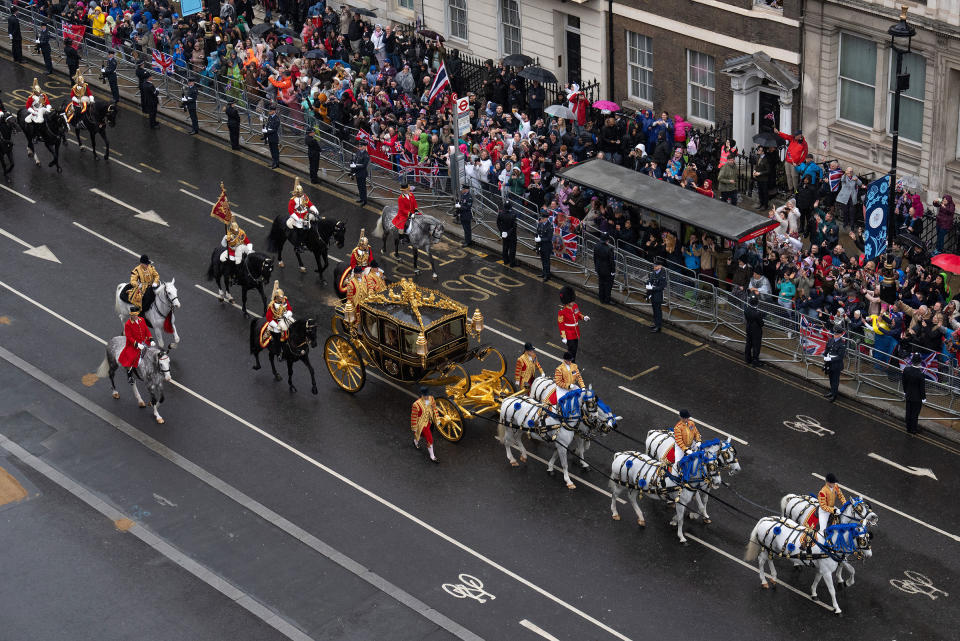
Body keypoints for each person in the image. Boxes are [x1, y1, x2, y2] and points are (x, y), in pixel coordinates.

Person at [118, 305, 154, 384]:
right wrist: (137, 344)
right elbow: (129, 337)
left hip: (144, 341)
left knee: (154, 352)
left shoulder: (142, 320)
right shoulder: (128, 324)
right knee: (131, 359)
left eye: (135, 315)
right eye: (132, 315)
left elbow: (146, 330)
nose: (134, 316)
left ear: (137, 314)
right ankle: (129, 375)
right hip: (133, 344)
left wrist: (151, 339)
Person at [557, 286, 588, 361]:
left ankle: (571, 362)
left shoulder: (575, 306)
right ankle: (570, 363)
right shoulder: (562, 311)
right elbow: (561, 325)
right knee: (572, 350)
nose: (573, 302)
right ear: (567, 301)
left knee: (575, 350)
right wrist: (564, 336)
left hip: (575, 332)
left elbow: (578, 314)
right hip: (568, 333)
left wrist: (583, 317)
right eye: (571, 301)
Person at [410, 386, 440, 463]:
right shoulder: (416, 404)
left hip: (429, 422)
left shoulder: (431, 398)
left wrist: (437, 418)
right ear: (422, 395)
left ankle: (415, 441)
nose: (427, 397)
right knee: (430, 439)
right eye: (425, 395)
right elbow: (414, 417)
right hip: (421, 425)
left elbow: (434, 409)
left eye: (427, 395)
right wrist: (414, 427)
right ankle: (432, 456)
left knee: (421, 436)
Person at [287, 177, 318, 251]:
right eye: (299, 193)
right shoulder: (292, 200)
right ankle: (298, 245)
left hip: (305, 215)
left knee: (314, 222)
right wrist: (297, 219)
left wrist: (314, 209)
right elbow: (291, 211)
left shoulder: (304, 197)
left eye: (301, 193)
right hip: (297, 216)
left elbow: (309, 204)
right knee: (301, 231)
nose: (301, 194)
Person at [775, 127, 808, 194]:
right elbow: (786, 136)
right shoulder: (793, 138)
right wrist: (778, 133)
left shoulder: (804, 144)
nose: (795, 136)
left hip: (795, 163)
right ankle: (790, 189)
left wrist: (799, 163)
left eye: (796, 135)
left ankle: (796, 191)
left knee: (794, 176)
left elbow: (805, 154)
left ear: (800, 135)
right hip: (788, 161)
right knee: (788, 175)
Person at [265, 281, 294, 354]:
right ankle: (278, 347)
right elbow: (269, 317)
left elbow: (290, 309)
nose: (281, 299)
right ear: (276, 297)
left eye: (282, 297)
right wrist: (276, 325)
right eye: (280, 297)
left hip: (285, 317)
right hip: (277, 320)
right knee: (281, 329)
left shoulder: (284, 300)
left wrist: (287, 314)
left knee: (293, 322)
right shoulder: (272, 305)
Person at [902, 352, 926, 434]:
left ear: (912, 361)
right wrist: (924, 398)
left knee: (908, 411)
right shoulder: (920, 374)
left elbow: (904, 382)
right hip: (917, 398)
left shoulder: (906, 370)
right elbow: (922, 388)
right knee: (915, 414)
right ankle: (913, 429)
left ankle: (908, 428)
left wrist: (905, 392)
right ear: (919, 362)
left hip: (908, 394)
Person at [822, 323, 846, 402]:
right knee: (831, 379)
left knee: (835, 381)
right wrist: (825, 354)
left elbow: (840, 357)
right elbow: (827, 348)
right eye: (834, 333)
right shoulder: (831, 339)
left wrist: (830, 359)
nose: (835, 335)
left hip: (836, 365)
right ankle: (832, 392)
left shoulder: (842, 344)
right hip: (829, 364)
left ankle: (834, 395)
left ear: (840, 335)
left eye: (836, 334)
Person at [594, 232, 616, 305]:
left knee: (601, 284)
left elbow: (594, 258)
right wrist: (613, 271)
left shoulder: (596, 246)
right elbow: (611, 262)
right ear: (607, 240)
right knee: (608, 286)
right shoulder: (609, 249)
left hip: (599, 269)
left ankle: (601, 298)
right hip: (607, 271)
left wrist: (596, 267)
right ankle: (607, 300)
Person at [646, 257, 667, 333]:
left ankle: (658, 326)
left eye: (656, 266)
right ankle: (655, 323)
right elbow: (650, 279)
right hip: (653, 294)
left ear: (660, 266)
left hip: (658, 295)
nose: (654, 267)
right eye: (654, 265)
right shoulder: (654, 272)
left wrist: (652, 288)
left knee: (658, 311)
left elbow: (662, 287)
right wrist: (647, 283)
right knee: (654, 310)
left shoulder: (663, 274)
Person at [744, 295, 765, 367]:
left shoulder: (746, 309)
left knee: (748, 344)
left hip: (748, 329)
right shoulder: (757, 313)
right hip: (756, 332)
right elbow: (761, 324)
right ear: (757, 303)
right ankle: (755, 361)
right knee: (756, 346)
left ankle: (747, 359)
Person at [496, 201, 518, 267]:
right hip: (512, 234)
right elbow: (514, 226)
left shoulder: (500, 213)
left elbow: (498, 223)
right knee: (512, 249)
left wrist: (502, 231)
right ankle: (512, 263)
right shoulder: (513, 214)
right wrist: (508, 233)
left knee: (505, 247)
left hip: (504, 234)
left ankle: (505, 261)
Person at [536, 211, 554, 281]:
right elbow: (538, 231)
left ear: (546, 218)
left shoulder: (550, 226)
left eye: (543, 218)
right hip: (541, 245)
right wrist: (536, 237)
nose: (542, 219)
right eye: (542, 218)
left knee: (547, 261)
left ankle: (547, 275)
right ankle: (544, 273)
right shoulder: (540, 224)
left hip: (546, 246)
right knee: (543, 260)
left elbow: (549, 238)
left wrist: (540, 239)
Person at [264, 103, 281, 168]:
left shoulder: (276, 119)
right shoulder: (270, 117)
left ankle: (276, 163)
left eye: (270, 111)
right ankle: (273, 162)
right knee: (271, 151)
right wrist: (265, 129)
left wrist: (267, 131)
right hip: (270, 136)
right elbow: (268, 125)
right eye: (269, 111)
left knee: (275, 151)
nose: (269, 112)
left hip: (274, 137)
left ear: (274, 111)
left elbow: (274, 129)